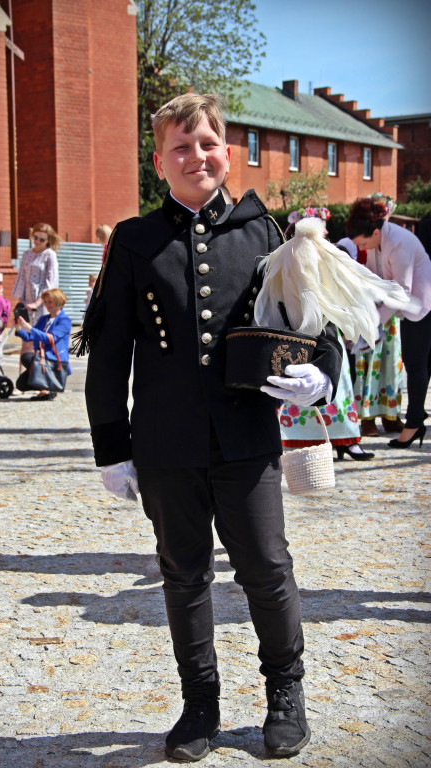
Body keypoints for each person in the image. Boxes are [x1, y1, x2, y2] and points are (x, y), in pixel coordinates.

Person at [80, 93, 343, 761]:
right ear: (159, 161)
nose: (195, 156)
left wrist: (322, 377)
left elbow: (320, 323)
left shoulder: (267, 233)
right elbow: (109, 352)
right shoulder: (135, 241)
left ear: (225, 150)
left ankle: (287, 692)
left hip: (247, 438)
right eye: (180, 146)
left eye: (206, 143)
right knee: (183, 573)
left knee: (266, 567)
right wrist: (112, 448)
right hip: (165, 443)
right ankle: (200, 704)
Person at [279, 208, 374, 461]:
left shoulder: (331, 255)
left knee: (336, 383)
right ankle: (301, 439)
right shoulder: (287, 256)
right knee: (298, 385)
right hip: (296, 332)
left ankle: (346, 440)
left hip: (327, 330)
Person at [347, 197, 431, 448]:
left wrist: (374, 322)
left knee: (416, 364)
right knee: (419, 364)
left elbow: (401, 291)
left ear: (374, 232)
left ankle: (414, 424)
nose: (362, 247)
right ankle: (417, 419)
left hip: (422, 304)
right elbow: (376, 278)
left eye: (362, 242)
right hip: (411, 306)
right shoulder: (377, 241)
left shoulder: (399, 241)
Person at [12, 222, 60, 366]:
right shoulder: (27, 254)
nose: (37, 241)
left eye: (41, 239)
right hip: (26, 301)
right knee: (26, 340)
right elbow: (21, 276)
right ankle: (25, 378)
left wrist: (38, 302)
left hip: (42, 303)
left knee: (39, 340)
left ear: (48, 241)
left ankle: (41, 380)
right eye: (35, 237)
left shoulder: (49, 255)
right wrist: (21, 300)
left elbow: (50, 281)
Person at [14, 288, 71, 401]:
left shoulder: (64, 320)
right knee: (21, 384)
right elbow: (30, 337)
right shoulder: (44, 319)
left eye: (50, 302)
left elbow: (50, 338)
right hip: (43, 359)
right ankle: (46, 388)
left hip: (55, 360)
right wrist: (19, 327)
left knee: (27, 357)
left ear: (58, 301)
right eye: (45, 302)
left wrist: (29, 328)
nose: (47, 304)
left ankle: (48, 388)